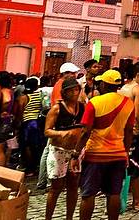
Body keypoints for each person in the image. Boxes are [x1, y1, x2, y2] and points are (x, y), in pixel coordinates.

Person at [72, 69, 135, 220]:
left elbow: (85, 132)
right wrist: (125, 152)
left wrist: (75, 153)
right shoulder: (129, 103)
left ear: (105, 85)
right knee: (114, 193)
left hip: (95, 154)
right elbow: (128, 132)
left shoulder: (94, 103)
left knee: (88, 194)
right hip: (118, 154)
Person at [44, 78, 85, 220]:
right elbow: (47, 131)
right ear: (64, 93)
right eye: (71, 90)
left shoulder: (82, 107)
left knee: (73, 186)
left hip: (76, 151)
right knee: (56, 187)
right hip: (59, 151)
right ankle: (48, 217)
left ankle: (69, 217)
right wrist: (61, 133)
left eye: (76, 89)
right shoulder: (57, 109)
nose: (74, 93)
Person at [118, 63, 139, 210]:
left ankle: (122, 198)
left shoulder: (124, 88)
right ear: (138, 74)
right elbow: (138, 114)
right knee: (136, 168)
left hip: (122, 130)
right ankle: (137, 200)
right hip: (134, 131)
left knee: (125, 166)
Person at [16, 77, 43, 175]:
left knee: (26, 146)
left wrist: (17, 122)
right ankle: (34, 166)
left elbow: (20, 111)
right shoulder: (39, 96)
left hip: (27, 123)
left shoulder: (24, 97)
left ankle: (29, 167)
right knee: (35, 146)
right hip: (36, 122)